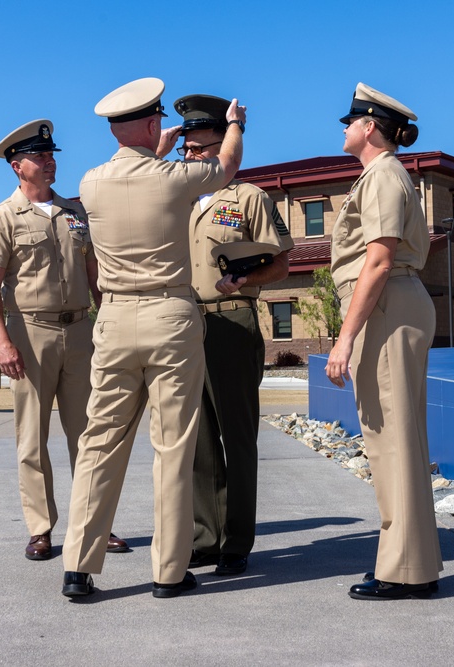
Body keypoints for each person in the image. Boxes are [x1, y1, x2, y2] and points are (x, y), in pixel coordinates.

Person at [61, 78, 246, 599]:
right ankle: (169, 571)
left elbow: (135, 168)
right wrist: (233, 124)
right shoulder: (173, 179)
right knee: (172, 445)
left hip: (115, 319)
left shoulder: (92, 182)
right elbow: (225, 167)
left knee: (100, 442)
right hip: (170, 314)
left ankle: (78, 566)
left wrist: (146, 146)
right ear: (152, 123)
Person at [0, 119, 128, 562]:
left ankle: (95, 525)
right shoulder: (1, 217)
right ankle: (41, 529)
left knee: (90, 434)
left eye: (51, 154)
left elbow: (96, 275)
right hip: (30, 332)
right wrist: (3, 343)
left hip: (81, 331)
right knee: (32, 439)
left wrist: (108, 322)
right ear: (16, 166)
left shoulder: (75, 214)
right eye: (40, 156)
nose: (50, 160)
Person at [324, 83, 443, 600]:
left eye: (350, 121)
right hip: (391, 305)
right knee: (392, 440)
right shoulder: (383, 176)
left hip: (388, 306)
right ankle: (408, 562)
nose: (345, 128)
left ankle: (406, 570)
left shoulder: (382, 176)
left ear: (370, 126)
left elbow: (378, 259)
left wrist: (344, 339)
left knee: (392, 440)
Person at [174, 94, 293, 576]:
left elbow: (281, 264)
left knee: (236, 435)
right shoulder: (174, 198)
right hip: (183, 323)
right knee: (196, 438)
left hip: (232, 320)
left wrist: (247, 280)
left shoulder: (248, 197)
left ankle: (237, 541)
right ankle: (205, 536)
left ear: (221, 148)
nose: (189, 159)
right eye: (184, 151)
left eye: (199, 150)